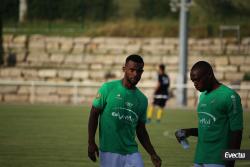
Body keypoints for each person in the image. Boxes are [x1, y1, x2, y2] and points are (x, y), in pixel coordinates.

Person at [88, 54, 162, 167]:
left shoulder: (142, 99)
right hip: (109, 152)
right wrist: (91, 142)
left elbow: (141, 130)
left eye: (139, 71)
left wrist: (152, 153)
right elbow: (94, 114)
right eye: (132, 70)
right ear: (124, 69)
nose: (135, 74)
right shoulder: (107, 88)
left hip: (132, 152)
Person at [175, 61, 243, 167]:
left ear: (209, 75)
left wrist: (230, 163)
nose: (195, 84)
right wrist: (188, 132)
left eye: (197, 80)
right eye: (193, 81)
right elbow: (208, 129)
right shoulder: (202, 96)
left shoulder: (230, 96)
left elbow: (237, 133)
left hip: (218, 160)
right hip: (199, 159)